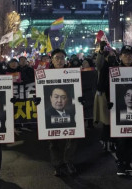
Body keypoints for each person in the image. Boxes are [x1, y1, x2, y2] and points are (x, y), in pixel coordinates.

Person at [47, 48, 78, 176]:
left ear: (65, 59)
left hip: (70, 111)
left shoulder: (73, 73)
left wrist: (80, 97)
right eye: (57, 58)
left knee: (73, 137)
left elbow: (78, 89)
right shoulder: (45, 75)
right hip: (51, 113)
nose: (59, 60)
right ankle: (57, 165)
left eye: (62, 58)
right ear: (52, 60)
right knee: (53, 141)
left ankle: (68, 161)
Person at [114, 45, 132, 176]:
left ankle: (128, 161)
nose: (127, 57)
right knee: (122, 138)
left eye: (130, 54)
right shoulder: (114, 70)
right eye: (125, 54)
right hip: (119, 110)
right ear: (120, 56)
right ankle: (120, 163)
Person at [94, 41, 119, 152]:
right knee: (107, 120)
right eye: (110, 55)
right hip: (104, 95)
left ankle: (112, 141)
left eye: (114, 54)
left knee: (114, 120)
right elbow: (98, 63)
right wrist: (101, 51)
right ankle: (106, 140)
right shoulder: (102, 66)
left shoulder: (118, 65)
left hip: (117, 95)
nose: (112, 56)